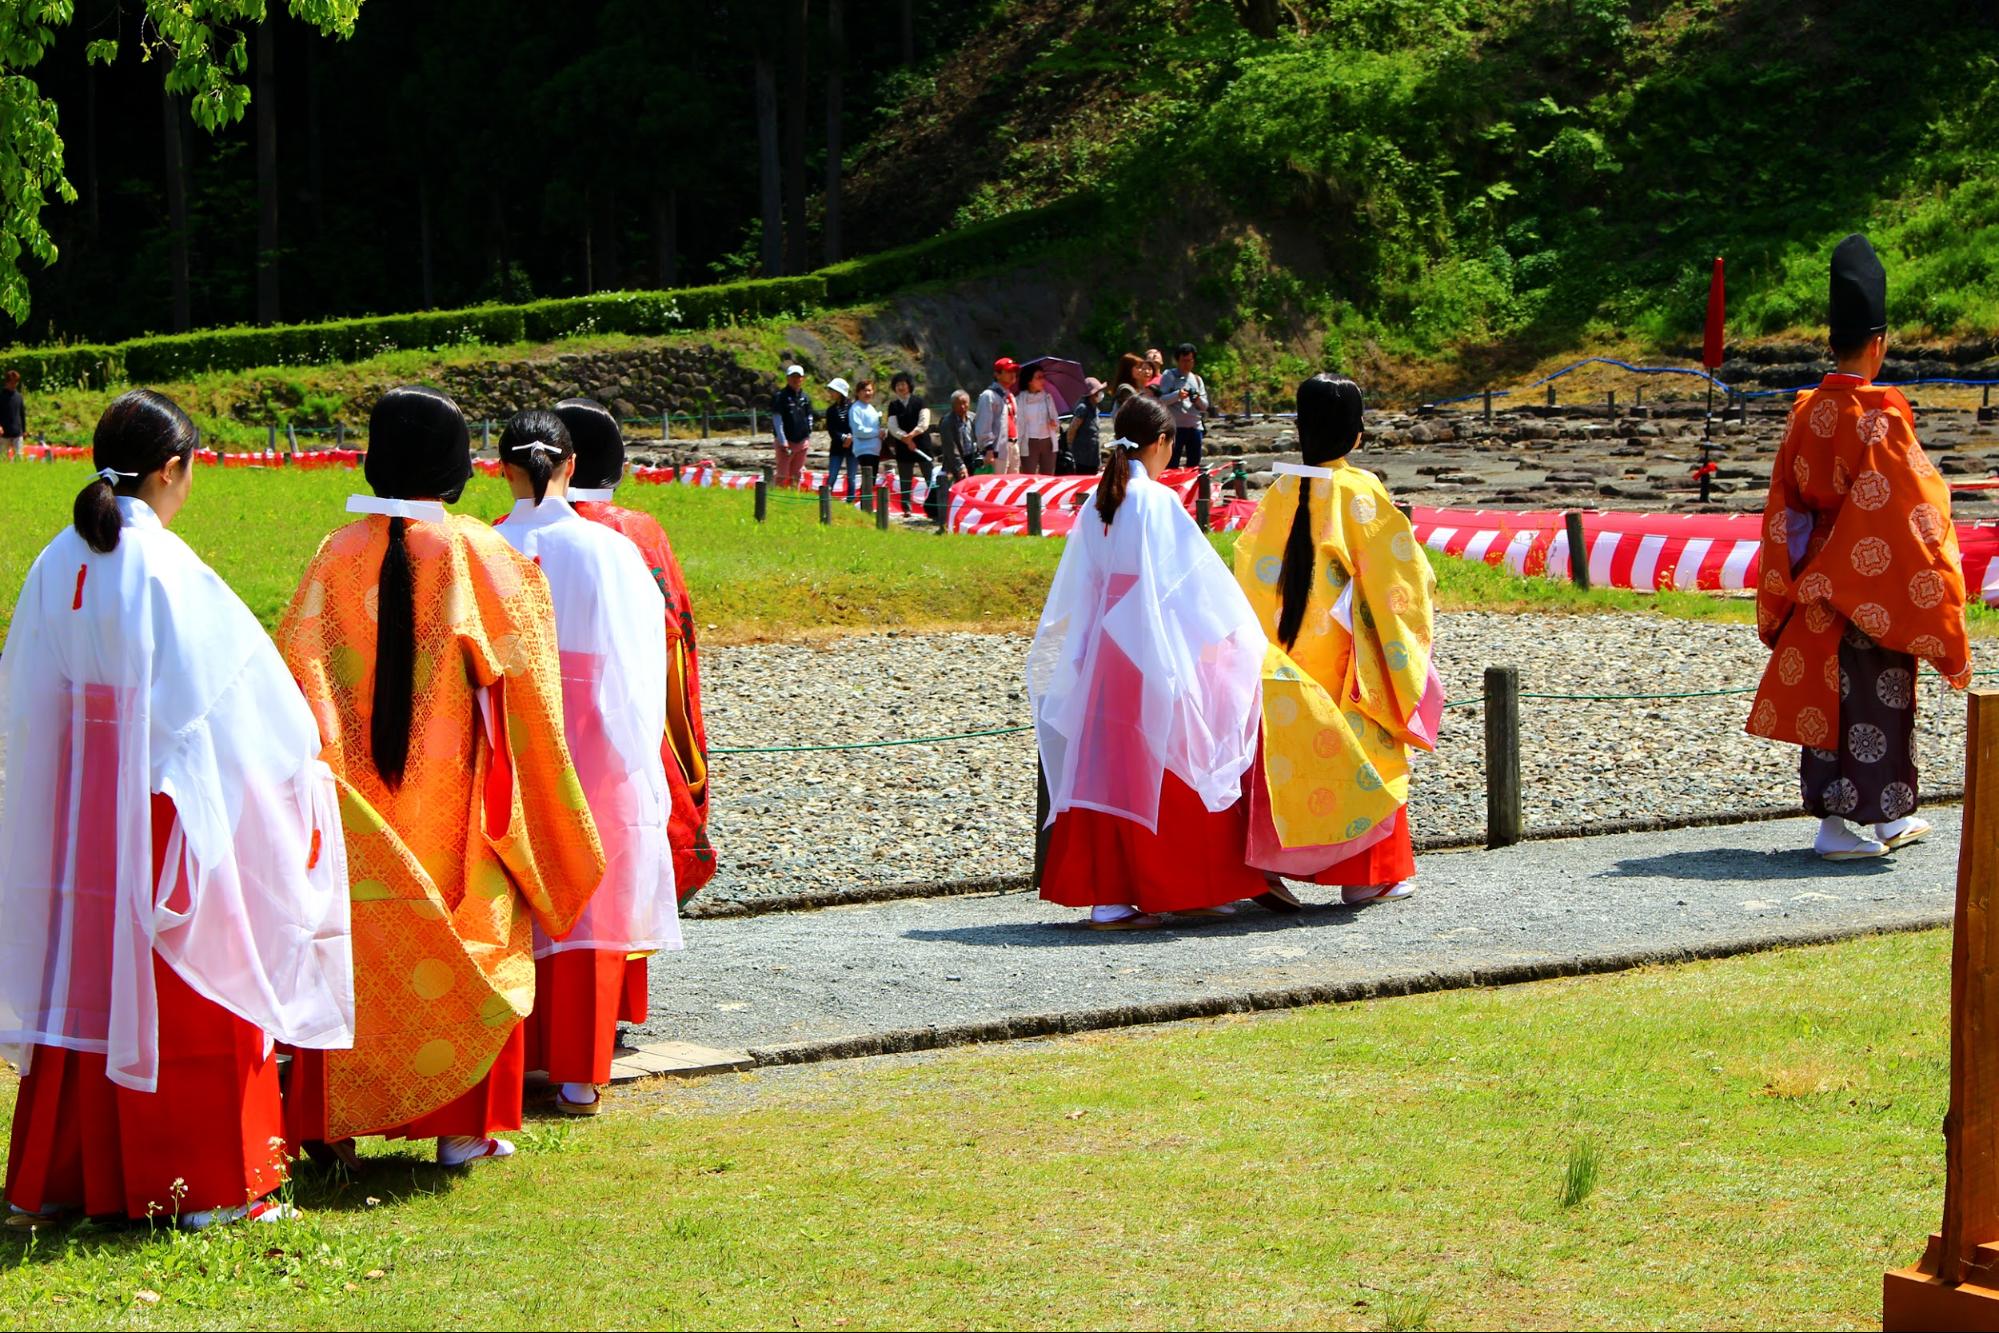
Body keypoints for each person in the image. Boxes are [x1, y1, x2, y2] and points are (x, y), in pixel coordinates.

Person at [0, 389, 353, 1230]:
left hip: (82, 806)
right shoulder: (168, 568)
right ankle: (204, 1184)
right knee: (197, 980)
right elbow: (234, 700)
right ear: (171, 470)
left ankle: (62, 1178)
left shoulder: (57, 560)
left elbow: (28, 695)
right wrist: (298, 754)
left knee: (82, 982)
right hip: (162, 808)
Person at [276, 385, 605, 1169]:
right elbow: (528, 688)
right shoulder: (478, 552)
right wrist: (551, 807)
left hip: (357, 813)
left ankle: (333, 1132)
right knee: (465, 944)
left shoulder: (334, 553)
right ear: (456, 469)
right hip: (451, 804)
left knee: (351, 949)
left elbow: (294, 677)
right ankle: (461, 1132)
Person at [1748, 233, 1972, 860]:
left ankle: (1832, 827)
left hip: (1817, 573)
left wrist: (1798, 579)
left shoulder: (1803, 413)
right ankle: (1888, 822)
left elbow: (1783, 511)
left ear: (1832, 342)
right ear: (1879, 344)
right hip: (1874, 579)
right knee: (1879, 693)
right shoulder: (1881, 418)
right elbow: (1913, 505)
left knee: (1831, 694)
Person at [491, 410, 679, 1117]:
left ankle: (515, 1058)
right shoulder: (608, 551)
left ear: (500, 467)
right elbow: (640, 662)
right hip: (595, 739)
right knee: (591, 896)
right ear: (572, 466)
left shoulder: (483, 547)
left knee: (516, 892)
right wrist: (636, 757)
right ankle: (578, 1072)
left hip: (512, 737)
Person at [1027, 395, 1268, 930]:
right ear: (1161, 444)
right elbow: (1191, 585)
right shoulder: (1156, 501)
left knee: (1110, 766)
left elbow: (1088, 586)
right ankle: (1185, 886)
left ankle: (1108, 896)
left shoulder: (1100, 502)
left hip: (1106, 648)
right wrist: (1227, 637)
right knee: (1169, 759)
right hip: (1149, 643)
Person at [1233, 375, 1443, 909]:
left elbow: (1251, 573)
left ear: (1301, 430)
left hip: (1285, 661)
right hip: (1348, 662)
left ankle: (1268, 871)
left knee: (1285, 759)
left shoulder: (1280, 490)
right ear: (1356, 434)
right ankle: (1366, 875)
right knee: (1362, 757)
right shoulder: (1359, 490)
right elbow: (1402, 581)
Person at [554, 397, 715, 903]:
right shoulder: (635, 529)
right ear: (616, 464)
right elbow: (673, 635)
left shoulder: (503, 530)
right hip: (626, 713)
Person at [1152, 343, 1210, 469]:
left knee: (1194, 465)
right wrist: (1177, 395)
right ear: (1177, 360)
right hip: (1175, 428)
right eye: (1184, 361)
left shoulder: (1197, 379)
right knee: (1171, 464)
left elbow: (1205, 406)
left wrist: (1197, 399)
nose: (1187, 364)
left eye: (1190, 360)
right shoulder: (1169, 375)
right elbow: (1161, 400)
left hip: (1195, 427)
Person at [883, 371, 932, 515]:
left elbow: (924, 422)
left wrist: (911, 436)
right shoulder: (893, 405)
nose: (900, 387)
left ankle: (934, 504)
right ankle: (906, 508)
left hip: (922, 444)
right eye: (897, 385)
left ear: (909, 385)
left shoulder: (920, 401)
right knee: (905, 478)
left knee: (929, 476)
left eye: (903, 384)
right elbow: (892, 426)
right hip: (902, 446)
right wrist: (905, 438)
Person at [770, 364, 814, 490]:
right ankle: (778, 496)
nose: (796, 379)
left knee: (797, 474)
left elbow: (810, 416)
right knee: (782, 474)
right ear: (787, 378)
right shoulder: (780, 396)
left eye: (798, 377)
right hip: (786, 442)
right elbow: (777, 419)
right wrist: (782, 440)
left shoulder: (805, 397)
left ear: (802, 378)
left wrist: (808, 433)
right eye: (793, 376)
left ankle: (794, 496)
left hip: (802, 441)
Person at [975, 357, 1021, 474]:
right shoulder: (989, 395)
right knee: (997, 483)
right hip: (997, 449)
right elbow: (983, 425)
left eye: (1014, 371)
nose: (1013, 374)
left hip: (1013, 444)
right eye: (1008, 371)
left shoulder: (1010, 396)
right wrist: (988, 449)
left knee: (1012, 484)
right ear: (997, 375)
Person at [1017, 363, 1060, 476]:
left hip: (1048, 442)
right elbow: (1018, 425)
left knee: (1048, 477)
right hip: (1029, 442)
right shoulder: (1020, 400)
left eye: (1043, 377)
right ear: (1029, 381)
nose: (1043, 380)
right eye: (1038, 377)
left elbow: (1057, 422)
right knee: (1029, 477)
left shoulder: (1047, 398)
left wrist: (1054, 423)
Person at [850, 378, 884, 505]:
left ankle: (865, 505)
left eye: (870, 390)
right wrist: (876, 433)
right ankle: (863, 505)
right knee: (868, 479)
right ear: (858, 392)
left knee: (872, 480)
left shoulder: (871, 408)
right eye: (864, 390)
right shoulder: (856, 408)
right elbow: (858, 430)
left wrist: (881, 432)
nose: (868, 393)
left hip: (874, 450)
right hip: (864, 450)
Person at [1063, 376, 1106, 476]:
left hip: (1093, 456)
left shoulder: (1095, 409)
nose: (1100, 394)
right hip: (1081, 457)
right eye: (1097, 392)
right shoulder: (1083, 408)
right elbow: (1072, 429)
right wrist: (1070, 447)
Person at [823, 377, 855, 502]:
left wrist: (851, 437)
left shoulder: (853, 408)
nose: (830, 393)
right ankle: (826, 498)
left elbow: (856, 425)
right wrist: (843, 437)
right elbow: (831, 429)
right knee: (832, 474)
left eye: (833, 390)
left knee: (851, 476)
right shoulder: (831, 410)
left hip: (852, 447)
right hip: (836, 446)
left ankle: (850, 500)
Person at [942, 389, 979, 479]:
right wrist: (960, 466)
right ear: (953, 405)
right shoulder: (947, 422)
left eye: (965, 403)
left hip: (973, 458)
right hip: (957, 462)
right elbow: (951, 447)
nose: (962, 406)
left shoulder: (972, 417)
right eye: (958, 404)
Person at [0, 370, 24, 461]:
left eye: (16, 382)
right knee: (3, 457)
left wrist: (24, 429)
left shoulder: (18, 396)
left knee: (19, 456)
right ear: (7, 382)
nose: (14, 384)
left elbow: (21, 413)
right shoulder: (1, 396)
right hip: (3, 433)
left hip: (17, 431)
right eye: (12, 382)